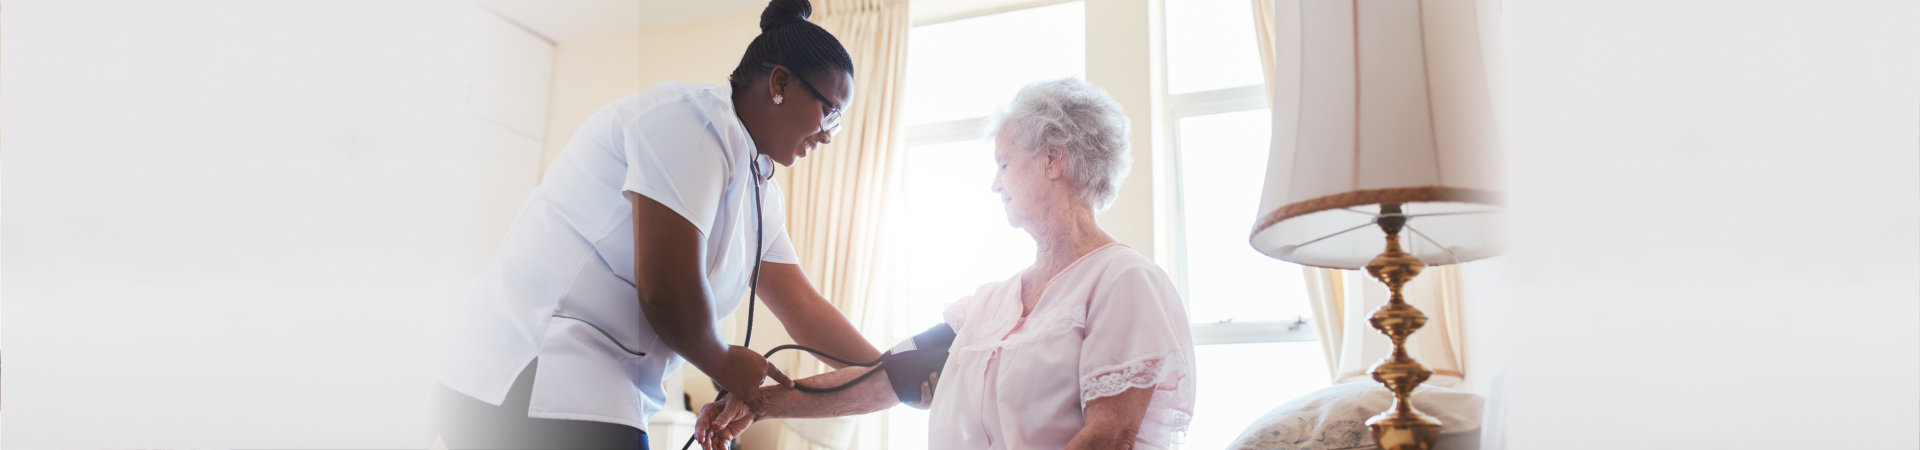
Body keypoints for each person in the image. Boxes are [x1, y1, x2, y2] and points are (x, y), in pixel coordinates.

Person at [432, 0, 885, 448]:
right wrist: (724, 362)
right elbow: (666, 293)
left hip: (604, 389)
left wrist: (890, 369)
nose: (828, 134)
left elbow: (803, 307)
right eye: (830, 112)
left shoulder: (759, 187)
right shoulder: (688, 122)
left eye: (837, 122)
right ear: (780, 82)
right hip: (535, 371)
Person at [696, 78, 1197, 450]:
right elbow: (881, 378)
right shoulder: (990, 306)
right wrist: (755, 401)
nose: (995, 184)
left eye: (1003, 163)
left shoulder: (1124, 280)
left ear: (1053, 159)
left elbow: (1111, 435)